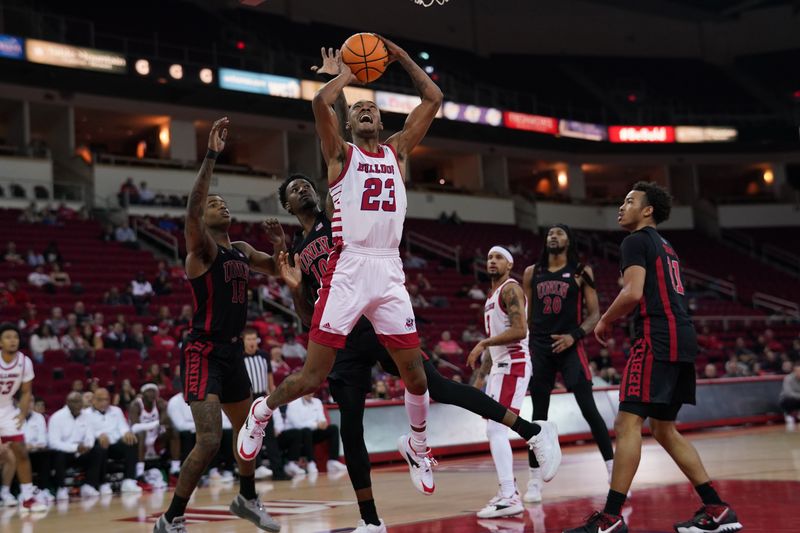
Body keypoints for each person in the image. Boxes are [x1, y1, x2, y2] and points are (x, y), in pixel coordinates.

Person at [272, 171, 558, 532]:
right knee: (352, 428)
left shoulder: (338, 219)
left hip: (376, 320)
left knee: (438, 386)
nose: (304, 191)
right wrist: (296, 288)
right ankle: (371, 521)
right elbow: (306, 317)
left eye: (307, 185)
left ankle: (531, 431)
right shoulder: (298, 249)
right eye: (296, 190)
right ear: (287, 205)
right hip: (342, 337)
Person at [238, 38, 445, 501]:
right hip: (349, 268)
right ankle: (262, 411)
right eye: (358, 109)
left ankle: (417, 442)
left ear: (383, 120)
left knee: (416, 377)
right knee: (312, 378)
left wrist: (400, 57)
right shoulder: (339, 157)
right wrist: (347, 76)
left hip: (389, 269)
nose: (366, 110)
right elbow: (318, 101)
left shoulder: (398, 152)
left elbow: (433, 99)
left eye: (373, 106)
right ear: (348, 123)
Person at [564, 182, 742, 533]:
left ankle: (612, 518)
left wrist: (603, 319)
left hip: (656, 337)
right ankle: (717, 508)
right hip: (682, 336)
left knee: (627, 423)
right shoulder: (666, 246)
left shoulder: (634, 241)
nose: (621, 206)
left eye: (629, 201)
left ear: (647, 211)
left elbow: (631, 293)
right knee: (663, 428)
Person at [153, 118, 282, 533]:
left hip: (231, 354)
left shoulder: (241, 250)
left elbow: (283, 269)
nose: (221, 205)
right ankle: (171, 518)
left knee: (249, 430)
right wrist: (210, 155)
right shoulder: (203, 251)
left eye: (223, 202)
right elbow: (192, 208)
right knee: (208, 440)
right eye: (215, 203)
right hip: (203, 350)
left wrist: (283, 246)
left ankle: (246, 497)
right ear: (203, 219)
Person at [522, 224, 614, 503]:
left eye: (560, 233)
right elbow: (526, 314)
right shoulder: (531, 272)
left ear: (569, 241)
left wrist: (573, 337)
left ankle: (613, 473)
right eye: (550, 232)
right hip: (539, 346)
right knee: (538, 415)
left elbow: (595, 313)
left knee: (589, 409)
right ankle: (534, 481)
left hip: (571, 345)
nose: (553, 235)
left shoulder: (581, 272)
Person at [466, 246, 558, 518]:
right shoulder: (492, 296)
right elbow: (492, 354)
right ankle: (507, 491)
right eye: (489, 257)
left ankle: (509, 495)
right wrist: (477, 384)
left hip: (515, 364)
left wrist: (483, 342)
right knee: (493, 430)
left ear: (509, 265)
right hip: (499, 368)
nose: (492, 260)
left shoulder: (510, 289)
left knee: (496, 430)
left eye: (498, 257)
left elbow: (520, 330)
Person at [0, 323, 48, 511]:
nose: (13, 340)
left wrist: (21, 412)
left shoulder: (24, 362)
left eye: (15, 337)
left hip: (7, 408)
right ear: (0, 342)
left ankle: (28, 497)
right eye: (8, 337)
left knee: (20, 450)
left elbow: (26, 391)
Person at [240, 328, 286, 480]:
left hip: (263, 398)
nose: (252, 342)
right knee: (250, 435)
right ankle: (254, 469)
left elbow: (270, 380)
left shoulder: (264, 356)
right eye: (249, 339)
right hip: (247, 398)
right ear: (244, 341)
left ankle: (278, 471)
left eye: (254, 339)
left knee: (270, 436)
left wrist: (272, 398)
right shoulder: (239, 358)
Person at [84, 387, 142, 494]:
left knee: (131, 441)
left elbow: (123, 427)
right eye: (100, 400)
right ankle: (102, 483)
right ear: (93, 400)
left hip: (114, 443)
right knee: (100, 446)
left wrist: (127, 433)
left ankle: (129, 481)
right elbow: (87, 432)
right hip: (98, 443)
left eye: (106, 399)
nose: (104, 402)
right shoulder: (85, 414)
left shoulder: (116, 410)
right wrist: (99, 435)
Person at [48, 391, 103, 500]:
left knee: (98, 450)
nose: (78, 405)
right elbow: (53, 443)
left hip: (82, 452)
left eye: (79, 402)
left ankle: (88, 485)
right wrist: (74, 448)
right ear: (67, 403)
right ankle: (61, 488)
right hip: (65, 453)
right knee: (59, 455)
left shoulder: (87, 416)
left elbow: (90, 436)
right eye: (74, 402)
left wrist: (87, 446)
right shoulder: (57, 417)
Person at [283, 393, 348, 475]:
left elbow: (322, 419)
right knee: (306, 431)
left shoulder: (317, 402)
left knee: (333, 428)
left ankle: (333, 461)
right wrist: (316, 424)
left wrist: (323, 423)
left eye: (312, 391)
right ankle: (311, 463)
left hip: (312, 433)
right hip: (296, 434)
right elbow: (298, 424)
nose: (310, 393)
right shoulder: (293, 403)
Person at [129, 383, 170, 487]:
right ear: (142, 393)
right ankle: (140, 472)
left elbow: (164, 422)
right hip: (139, 438)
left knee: (172, 430)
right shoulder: (136, 405)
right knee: (142, 433)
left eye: (154, 391)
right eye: (149, 391)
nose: (152, 394)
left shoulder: (159, 403)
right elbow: (134, 427)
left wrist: (164, 409)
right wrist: (156, 424)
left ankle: (174, 467)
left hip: (155, 436)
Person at [21, 396, 51, 498]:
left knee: (45, 454)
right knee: (17, 454)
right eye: (27, 401)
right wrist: (24, 446)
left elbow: (43, 441)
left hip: (35, 452)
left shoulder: (39, 417)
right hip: (20, 452)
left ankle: (44, 489)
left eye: (31, 401)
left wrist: (31, 445)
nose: (29, 404)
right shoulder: (14, 417)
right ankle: (23, 491)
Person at [780, 361, 800, 431]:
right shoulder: (788, 378)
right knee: (788, 399)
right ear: (794, 371)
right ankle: (788, 415)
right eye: (798, 371)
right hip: (787, 400)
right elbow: (788, 393)